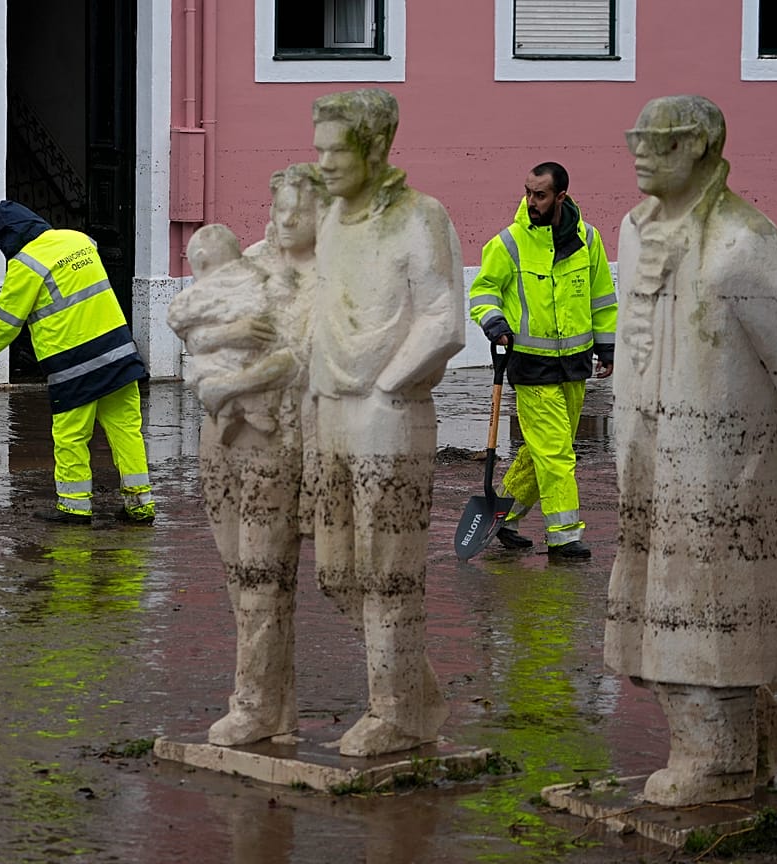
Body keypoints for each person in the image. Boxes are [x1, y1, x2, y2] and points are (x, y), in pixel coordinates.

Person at [606, 95, 777, 806]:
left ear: (698, 145)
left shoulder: (741, 239)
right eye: (635, 137)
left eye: (658, 140)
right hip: (647, 438)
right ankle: (749, 734)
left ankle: (720, 760)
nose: (639, 150)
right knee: (651, 601)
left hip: (717, 448)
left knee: (706, 599)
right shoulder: (635, 231)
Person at [309, 88, 464, 756]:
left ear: (373, 148)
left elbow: (443, 318)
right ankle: (415, 693)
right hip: (332, 407)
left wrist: (390, 383)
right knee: (335, 568)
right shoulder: (331, 219)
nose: (322, 162)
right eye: (317, 149)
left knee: (388, 569)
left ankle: (395, 711)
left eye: (334, 149)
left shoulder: (420, 218)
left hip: (388, 413)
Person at [168, 163, 327, 746]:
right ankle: (274, 707)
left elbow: (303, 358)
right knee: (239, 577)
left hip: (276, 440)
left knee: (263, 575)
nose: (286, 219)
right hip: (222, 436)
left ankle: (255, 704)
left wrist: (229, 383)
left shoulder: (325, 281)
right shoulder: (250, 263)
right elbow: (193, 326)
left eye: (300, 209)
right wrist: (221, 343)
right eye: (279, 205)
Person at [0, 200, 153, 525]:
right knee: (127, 432)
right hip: (119, 353)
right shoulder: (79, 240)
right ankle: (140, 506)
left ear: (7, 239)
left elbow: (6, 321)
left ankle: (75, 507)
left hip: (75, 366)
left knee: (71, 437)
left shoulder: (26, 264)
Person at [468, 161, 616, 559]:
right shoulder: (510, 242)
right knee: (556, 453)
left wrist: (607, 346)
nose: (531, 201)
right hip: (530, 366)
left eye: (541, 195)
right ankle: (564, 534)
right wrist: (494, 321)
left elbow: (601, 297)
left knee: (544, 450)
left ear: (561, 197)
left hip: (574, 365)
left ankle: (503, 516)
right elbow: (482, 291)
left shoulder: (588, 239)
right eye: (528, 192)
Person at [172, 223, 297, 443]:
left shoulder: (197, 296)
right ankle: (243, 408)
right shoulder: (255, 274)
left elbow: (179, 320)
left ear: (201, 260)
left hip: (253, 359)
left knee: (202, 369)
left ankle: (235, 406)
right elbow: (194, 340)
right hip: (248, 355)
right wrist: (230, 333)